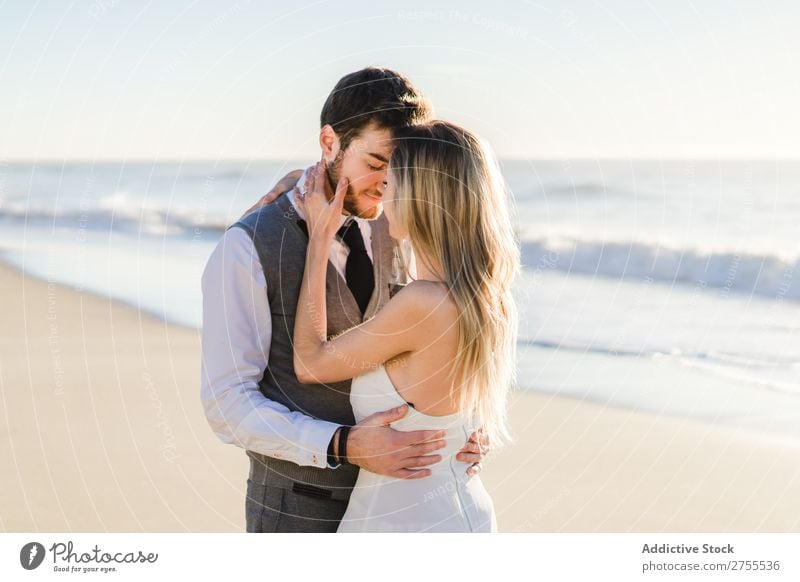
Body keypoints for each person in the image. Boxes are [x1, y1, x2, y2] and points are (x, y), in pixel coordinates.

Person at [200, 67, 488, 533]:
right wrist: (343, 445)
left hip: (403, 507)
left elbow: (445, 337)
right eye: (376, 164)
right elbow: (226, 405)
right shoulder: (246, 248)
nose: (387, 184)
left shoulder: (402, 224)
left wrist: (466, 425)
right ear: (330, 142)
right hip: (298, 511)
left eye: (400, 171)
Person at [292, 120, 519, 532]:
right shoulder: (486, 296)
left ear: (421, 198)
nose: (383, 193)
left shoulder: (424, 303)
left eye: (392, 183)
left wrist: (319, 239)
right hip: (449, 513)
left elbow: (310, 364)